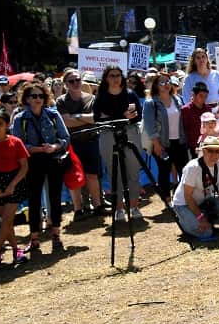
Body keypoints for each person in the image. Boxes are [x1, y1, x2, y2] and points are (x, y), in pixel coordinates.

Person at [12, 82, 72, 253]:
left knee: (54, 198)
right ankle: (35, 238)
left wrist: (54, 147)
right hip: (32, 162)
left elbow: (65, 137)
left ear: (45, 97)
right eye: (33, 96)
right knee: (34, 200)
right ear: (27, 99)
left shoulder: (53, 115)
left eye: (40, 96)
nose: (37, 99)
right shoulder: (20, 118)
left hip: (54, 159)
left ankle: (56, 236)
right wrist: (36, 149)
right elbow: (18, 143)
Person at [92, 63, 144, 222]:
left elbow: (138, 116)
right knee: (115, 173)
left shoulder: (130, 94)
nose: (115, 79)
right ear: (106, 79)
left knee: (133, 171)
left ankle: (134, 207)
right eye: (111, 76)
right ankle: (119, 209)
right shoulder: (100, 97)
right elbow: (98, 119)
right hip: (108, 135)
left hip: (130, 132)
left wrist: (115, 117)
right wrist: (122, 115)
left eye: (118, 75)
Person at [55, 68, 105, 218]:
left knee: (92, 175)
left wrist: (76, 116)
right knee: (74, 176)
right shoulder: (61, 101)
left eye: (78, 80)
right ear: (66, 84)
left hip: (91, 141)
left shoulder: (92, 98)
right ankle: (78, 210)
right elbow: (66, 123)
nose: (76, 83)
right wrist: (85, 118)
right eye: (71, 81)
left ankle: (98, 206)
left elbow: (96, 118)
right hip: (72, 143)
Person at [0, 110, 30, 267]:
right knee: (6, 221)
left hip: (14, 181)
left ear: (7, 125)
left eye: (0, 124)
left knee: (7, 219)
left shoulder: (16, 142)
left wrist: (13, 184)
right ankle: (16, 250)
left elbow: (24, 167)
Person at [171, 135, 219, 242]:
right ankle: (185, 221)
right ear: (204, 151)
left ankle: (202, 222)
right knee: (206, 234)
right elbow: (187, 196)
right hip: (184, 204)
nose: (214, 154)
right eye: (210, 150)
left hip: (202, 202)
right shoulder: (193, 167)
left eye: (217, 151)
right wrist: (201, 218)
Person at [142, 74, 189, 198]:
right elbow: (149, 125)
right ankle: (167, 199)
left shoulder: (178, 99)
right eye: (162, 83)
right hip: (162, 143)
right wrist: (157, 144)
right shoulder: (151, 103)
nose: (166, 84)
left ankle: (183, 197)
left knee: (184, 170)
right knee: (164, 171)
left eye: (167, 81)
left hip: (179, 142)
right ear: (156, 86)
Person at [181, 82, 212, 158]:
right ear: (193, 95)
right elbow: (184, 129)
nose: (203, 98)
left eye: (205, 96)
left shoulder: (208, 109)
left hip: (207, 144)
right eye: (201, 96)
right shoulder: (185, 110)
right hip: (193, 147)